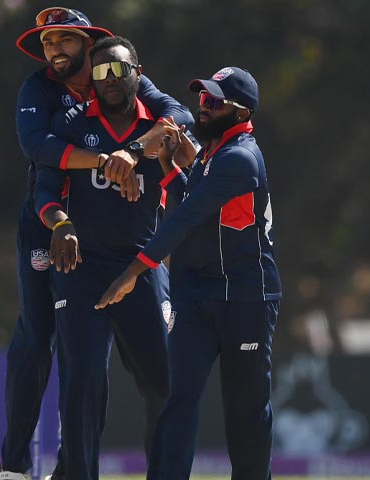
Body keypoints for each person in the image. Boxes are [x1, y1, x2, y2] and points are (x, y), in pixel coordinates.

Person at [2, 7, 193, 480]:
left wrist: (134, 152)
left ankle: (74, 469)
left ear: (91, 46)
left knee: (158, 379)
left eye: (65, 39)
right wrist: (108, 162)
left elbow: (181, 116)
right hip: (56, 229)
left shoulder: (126, 79)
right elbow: (37, 150)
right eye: (48, 42)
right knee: (40, 338)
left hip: (134, 251)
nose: (54, 50)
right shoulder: (43, 91)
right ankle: (15, 467)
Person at [97, 67, 282, 480]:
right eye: (202, 99)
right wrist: (168, 165)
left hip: (246, 296)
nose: (204, 108)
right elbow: (187, 199)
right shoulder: (212, 154)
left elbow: (185, 219)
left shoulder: (240, 158)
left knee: (246, 407)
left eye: (215, 102)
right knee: (175, 397)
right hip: (195, 293)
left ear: (242, 112)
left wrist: (134, 271)